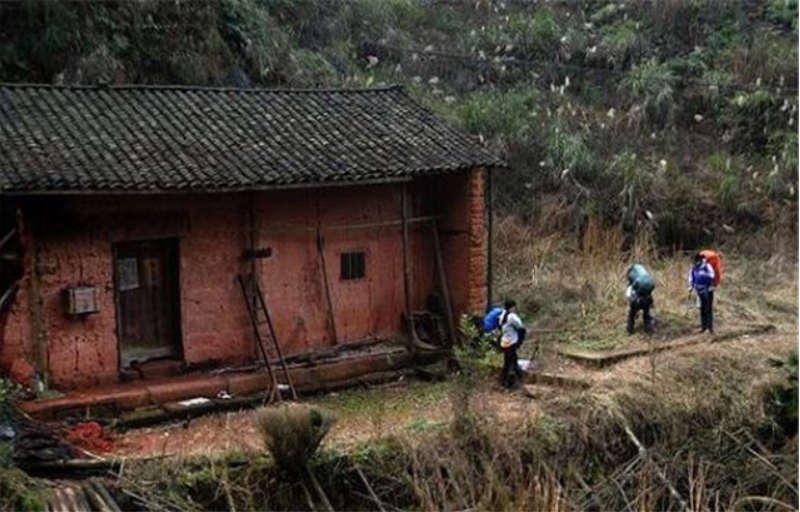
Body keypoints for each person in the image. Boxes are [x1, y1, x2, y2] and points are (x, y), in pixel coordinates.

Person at [499, 299, 526, 389]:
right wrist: (520, 341)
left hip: (504, 342)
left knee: (509, 361)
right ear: (512, 307)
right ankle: (509, 384)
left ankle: (514, 379)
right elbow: (521, 327)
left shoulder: (502, 315)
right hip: (511, 342)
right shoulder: (512, 317)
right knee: (511, 363)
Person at [689, 252, 715, 333]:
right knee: (702, 309)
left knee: (708, 308)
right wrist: (690, 287)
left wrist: (703, 275)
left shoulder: (707, 266)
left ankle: (709, 328)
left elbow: (712, 276)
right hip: (699, 291)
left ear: (700, 260)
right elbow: (691, 277)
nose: (695, 263)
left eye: (695, 261)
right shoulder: (694, 268)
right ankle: (703, 327)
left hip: (708, 290)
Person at [626, 263, 655, 334]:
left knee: (631, 314)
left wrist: (632, 303)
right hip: (647, 300)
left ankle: (630, 330)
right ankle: (649, 330)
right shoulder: (645, 280)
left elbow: (628, 295)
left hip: (638, 301)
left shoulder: (632, 285)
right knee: (646, 315)